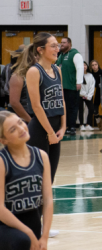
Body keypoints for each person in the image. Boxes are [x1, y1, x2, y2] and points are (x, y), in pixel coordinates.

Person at [0, 111, 54, 250]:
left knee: (27, 239)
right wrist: (28, 232)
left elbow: (48, 200)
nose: (21, 128)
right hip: (4, 226)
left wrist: (44, 236)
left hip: (32, 222)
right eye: (13, 129)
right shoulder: (2, 161)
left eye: (20, 122)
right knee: (22, 240)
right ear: (3, 140)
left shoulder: (41, 156)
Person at [13, 33, 66, 185]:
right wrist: (50, 132)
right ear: (40, 50)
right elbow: (36, 106)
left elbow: (62, 100)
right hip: (41, 129)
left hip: (55, 130)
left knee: (50, 179)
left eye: (58, 45)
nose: (58, 49)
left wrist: (63, 127)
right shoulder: (34, 71)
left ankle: (45, 209)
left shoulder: (58, 70)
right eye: (53, 46)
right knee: (39, 178)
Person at [56, 37, 84, 135]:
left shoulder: (75, 54)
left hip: (72, 86)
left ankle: (72, 126)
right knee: (65, 107)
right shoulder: (61, 55)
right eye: (61, 42)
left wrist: (79, 82)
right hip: (62, 86)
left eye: (64, 43)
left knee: (73, 107)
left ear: (69, 44)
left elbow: (80, 68)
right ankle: (66, 126)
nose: (61, 44)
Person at [8, 47, 32, 123]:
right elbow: (14, 103)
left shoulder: (30, 74)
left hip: (31, 114)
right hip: (21, 118)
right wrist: (30, 121)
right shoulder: (17, 77)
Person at [78, 62, 96, 131]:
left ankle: (88, 124)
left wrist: (89, 95)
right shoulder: (79, 75)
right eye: (82, 65)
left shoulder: (90, 75)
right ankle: (81, 125)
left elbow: (92, 86)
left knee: (91, 109)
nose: (84, 66)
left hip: (88, 96)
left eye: (85, 65)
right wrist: (84, 94)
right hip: (81, 95)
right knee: (81, 110)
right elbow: (79, 86)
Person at [90, 60, 102, 129]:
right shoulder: (91, 74)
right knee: (95, 109)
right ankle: (98, 121)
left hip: (101, 92)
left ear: (98, 65)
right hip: (94, 92)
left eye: (95, 64)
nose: (94, 66)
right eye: (92, 65)